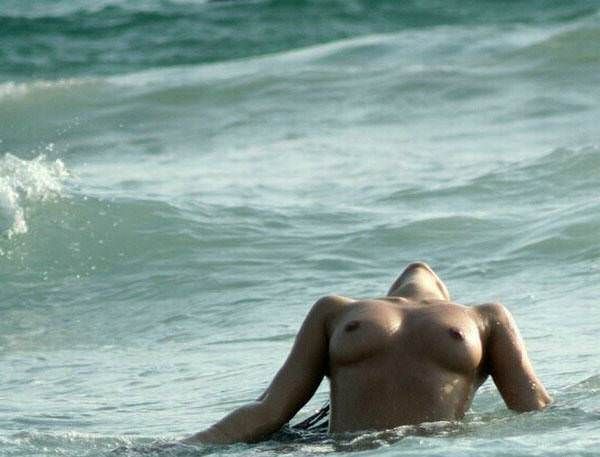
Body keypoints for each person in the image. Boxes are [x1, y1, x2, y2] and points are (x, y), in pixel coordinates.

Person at [183, 262, 551, 444]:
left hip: (393, 448)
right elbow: (535, 409)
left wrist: (189, 445)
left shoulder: (487, 318)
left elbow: (268, 410)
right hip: (394, 447)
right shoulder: (333, 311)